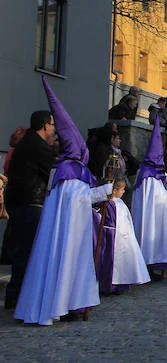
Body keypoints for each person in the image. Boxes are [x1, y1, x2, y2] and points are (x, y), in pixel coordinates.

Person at [14, 78, 112, 325]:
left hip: (60, 226)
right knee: (66, 262)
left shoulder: (62, 167)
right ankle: (63, 303)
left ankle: (64, 303)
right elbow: (78, 199)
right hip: (68, 232)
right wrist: (103, 193)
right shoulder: (70, 171)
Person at [3, 110, 58, 310]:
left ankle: (16, 295)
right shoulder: (37, 146)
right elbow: (54, 169)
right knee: (26, 252)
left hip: (22, 201)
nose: (53, 129)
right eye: (52, 124)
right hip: (29, 202)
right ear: (45, 125)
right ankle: (19, 297)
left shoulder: (29, 143)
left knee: (22, 251)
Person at [131, 116, 167, 281]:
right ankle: (146, 265)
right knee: (147, 235)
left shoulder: (155, 175)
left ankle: (156, 264)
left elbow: (163, 196)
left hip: (159, 216)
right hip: (149, 216)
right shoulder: (148, 176)